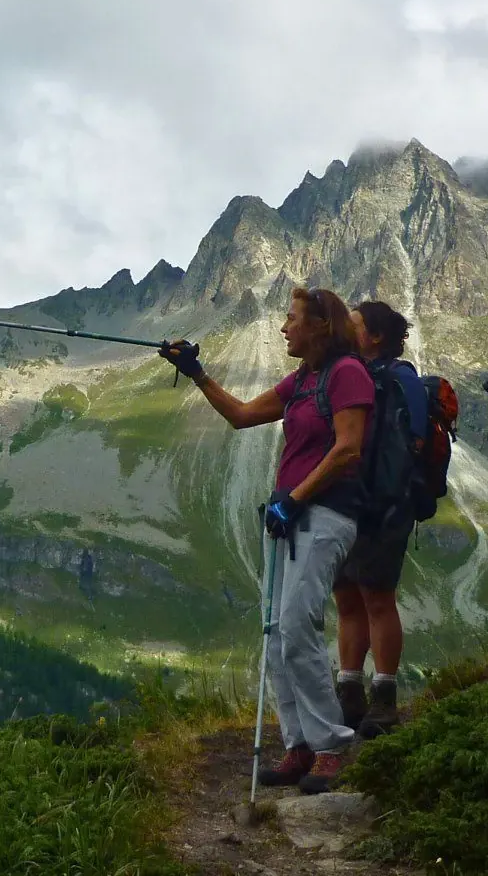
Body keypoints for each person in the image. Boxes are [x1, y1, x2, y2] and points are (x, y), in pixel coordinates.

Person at [159, 288, 368, 795]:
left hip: (324, 514)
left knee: (297, 625)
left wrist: (294, 498)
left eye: (292, 319)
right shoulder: (303, 380)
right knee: (275, 631)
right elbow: (243, 415)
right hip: (288, 514)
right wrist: (197, 373)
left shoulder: (347, 373)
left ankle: (330, 747)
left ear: (320, 325)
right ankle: (298, 744)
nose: (283, 328)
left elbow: (348, 450)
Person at [333, 301, 426, 739]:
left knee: (376, 597)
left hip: (383, 504)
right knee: (348, 597)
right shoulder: (355, 374)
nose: (347, 331)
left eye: (354, 326)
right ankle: (350, 690)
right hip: (351, 502)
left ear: (374, 337)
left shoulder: (391, 380)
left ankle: (384, 697)